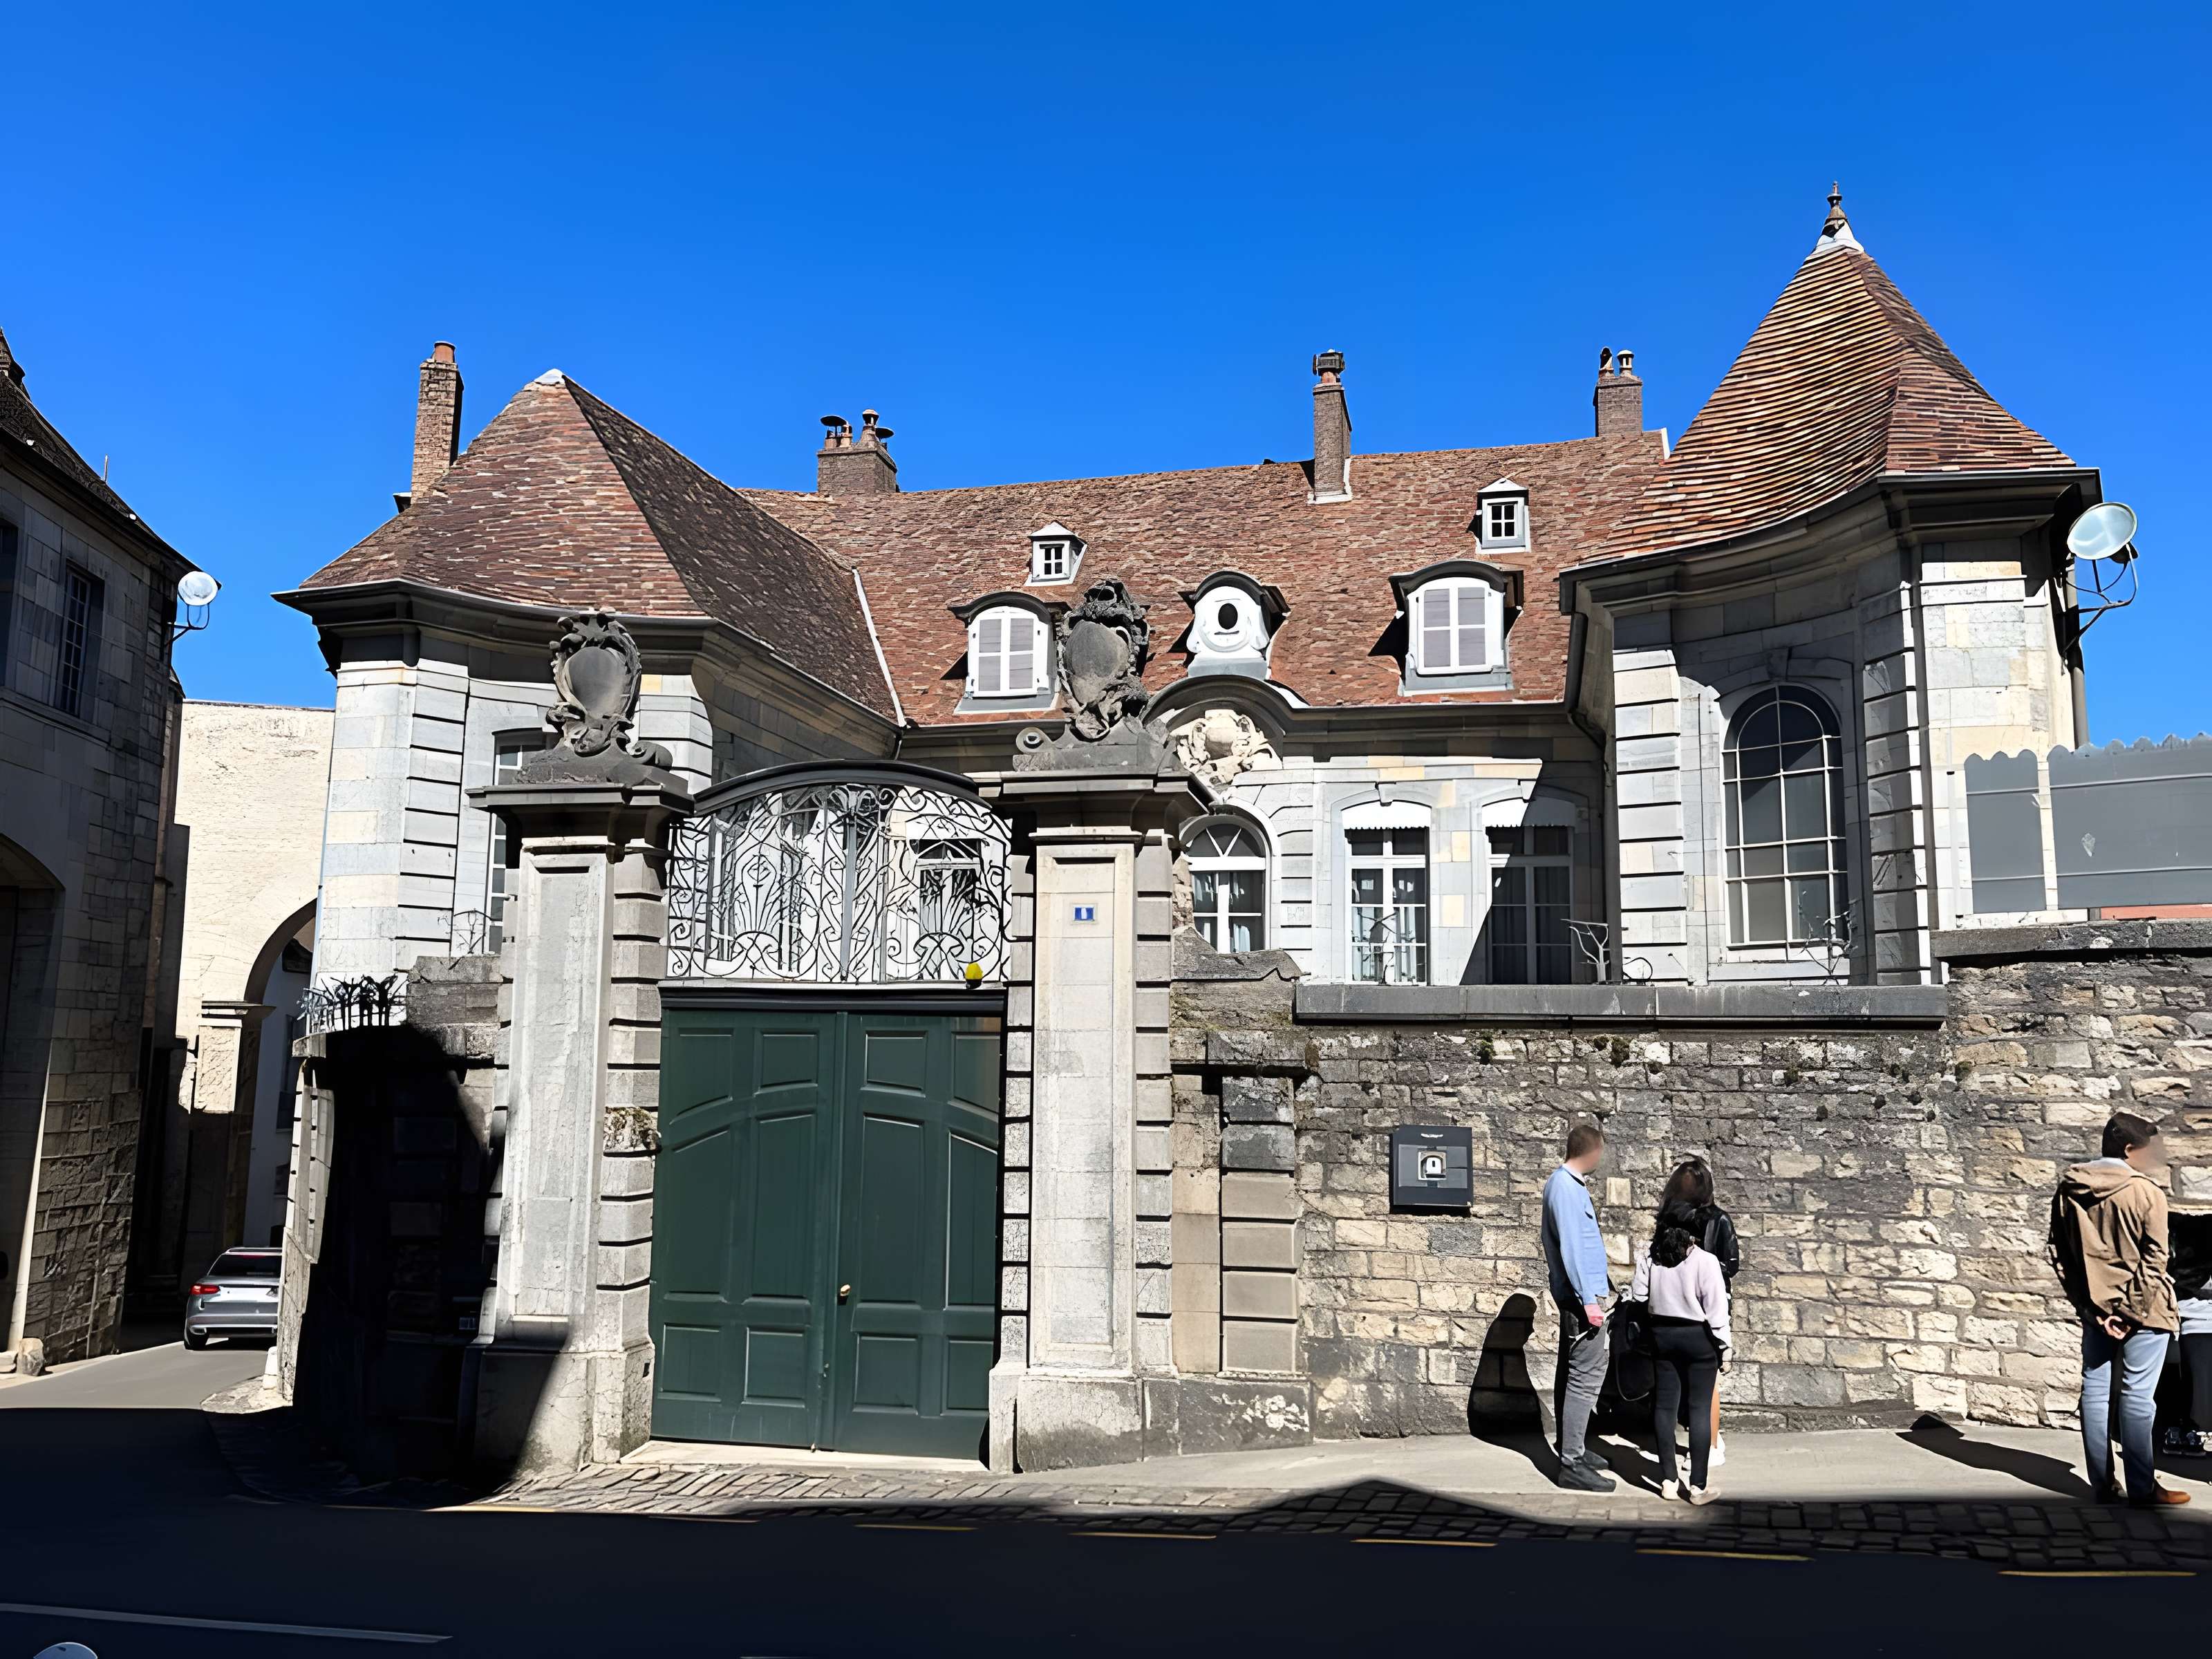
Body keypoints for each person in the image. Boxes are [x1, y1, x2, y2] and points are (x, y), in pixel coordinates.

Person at [2050, 1112, 2190, 1508]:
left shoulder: (2070, 1189)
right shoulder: (2146, 1193)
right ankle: (2143, 1488)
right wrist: (2129, 1312)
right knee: (2138, 1398)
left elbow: (2061, 1255)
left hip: (2096, 1311)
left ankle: (2103, 1484)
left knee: (2094, 1391)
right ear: (2130, 1150)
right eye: (2149, 1151)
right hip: (2144, 1311)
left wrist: (2092, 1308)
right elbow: (2155, 1260)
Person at [1631, 1219, 1731, 1502]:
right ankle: (1698, 1487)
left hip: (1662, 1336)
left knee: (1664, 1407)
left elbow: (1639, 1295)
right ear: (1694, 1235)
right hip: (1698, 1339)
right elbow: (1716, 1310)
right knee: (1699, 1410)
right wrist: (1726, 1348)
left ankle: (1668, 1481)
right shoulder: (1705, 1260)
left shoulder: (1652, 1256)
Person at [1541, 1122, 1615, 1492]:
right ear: (1592, 1152)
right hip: (1581, 1299)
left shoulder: (1565, 1185)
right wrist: (1590, 1301)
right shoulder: (1566, 1189)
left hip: (1582, 1295)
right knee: (1584, 1376)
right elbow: (1572, 1247)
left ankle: (1574, 1448)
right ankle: (1571, 1462)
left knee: (1573, 1373)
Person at [1657, 1158, 1739, 1468]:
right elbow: (1731, 1264)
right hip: (1696, 1303)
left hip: (1686, 1303)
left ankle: (1710, 1442)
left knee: (1697, 1381)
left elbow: (1729, 1265)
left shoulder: (1679, 1219)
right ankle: (1708, 1443)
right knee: (1702, 1380)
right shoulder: (1707, 1218)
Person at [2166, 1216, 2211, 1459]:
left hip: (2197, 1315)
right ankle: (2184, 1427)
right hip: (2190, 1316)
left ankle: (2192, 1427)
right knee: (2184, 1364)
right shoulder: (2190, 1233)